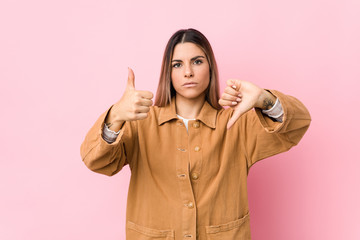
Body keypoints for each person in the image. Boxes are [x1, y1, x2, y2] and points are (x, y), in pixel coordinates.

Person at [80, 28, 311, 240]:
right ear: (168, 73)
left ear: (210, 66)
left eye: (197, 61)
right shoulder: (141, 123)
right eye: (177, 65)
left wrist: (264, 99)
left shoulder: (236, 124)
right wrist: (116, 116)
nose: (188, 72)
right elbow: (95, 160)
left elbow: (298, 124)